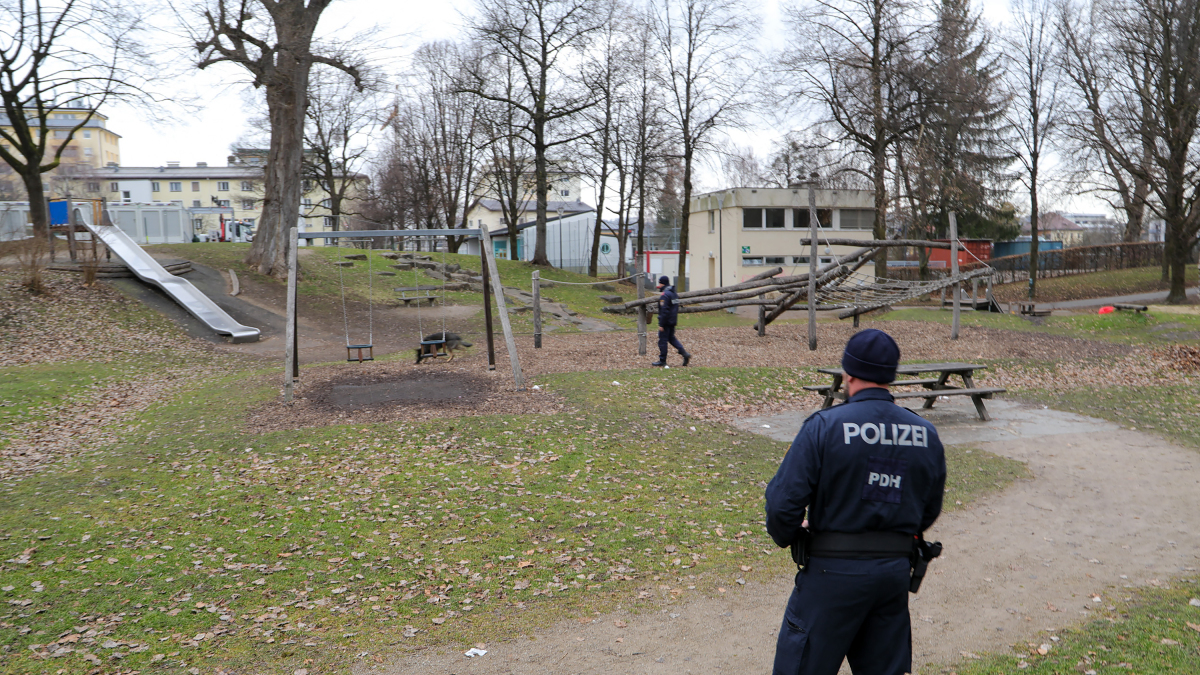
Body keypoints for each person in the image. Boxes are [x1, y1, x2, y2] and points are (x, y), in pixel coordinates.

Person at [764, 329, 946, 675]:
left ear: (848, 373)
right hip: (891, 577)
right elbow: (929, 507)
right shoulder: (925, 433)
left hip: (830, 576)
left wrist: (789, 533)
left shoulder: (824, 426)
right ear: (890, 375)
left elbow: (782, 504)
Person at [651, 275, 691, 367]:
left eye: (660, 283)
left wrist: (661, 324)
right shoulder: (674, 293)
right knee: (671, 338)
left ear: (662, 283)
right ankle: (684, 353)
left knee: (662, 341)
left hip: (666, 321)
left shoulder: (665, 295)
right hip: (672, 320)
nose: (659, 285)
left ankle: (662, 360)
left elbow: (664, 310)